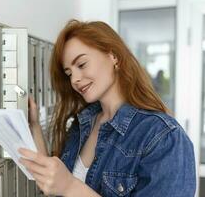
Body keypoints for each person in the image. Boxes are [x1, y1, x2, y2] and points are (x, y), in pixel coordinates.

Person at [18, 20, 196, 197]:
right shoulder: (81, 125)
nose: (74, 80)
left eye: (81, 65)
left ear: (113, 57)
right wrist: (34, 125)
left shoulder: (163, 137)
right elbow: (54, 185)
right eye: (69, 73)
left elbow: (66, 186)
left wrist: (71, 187)